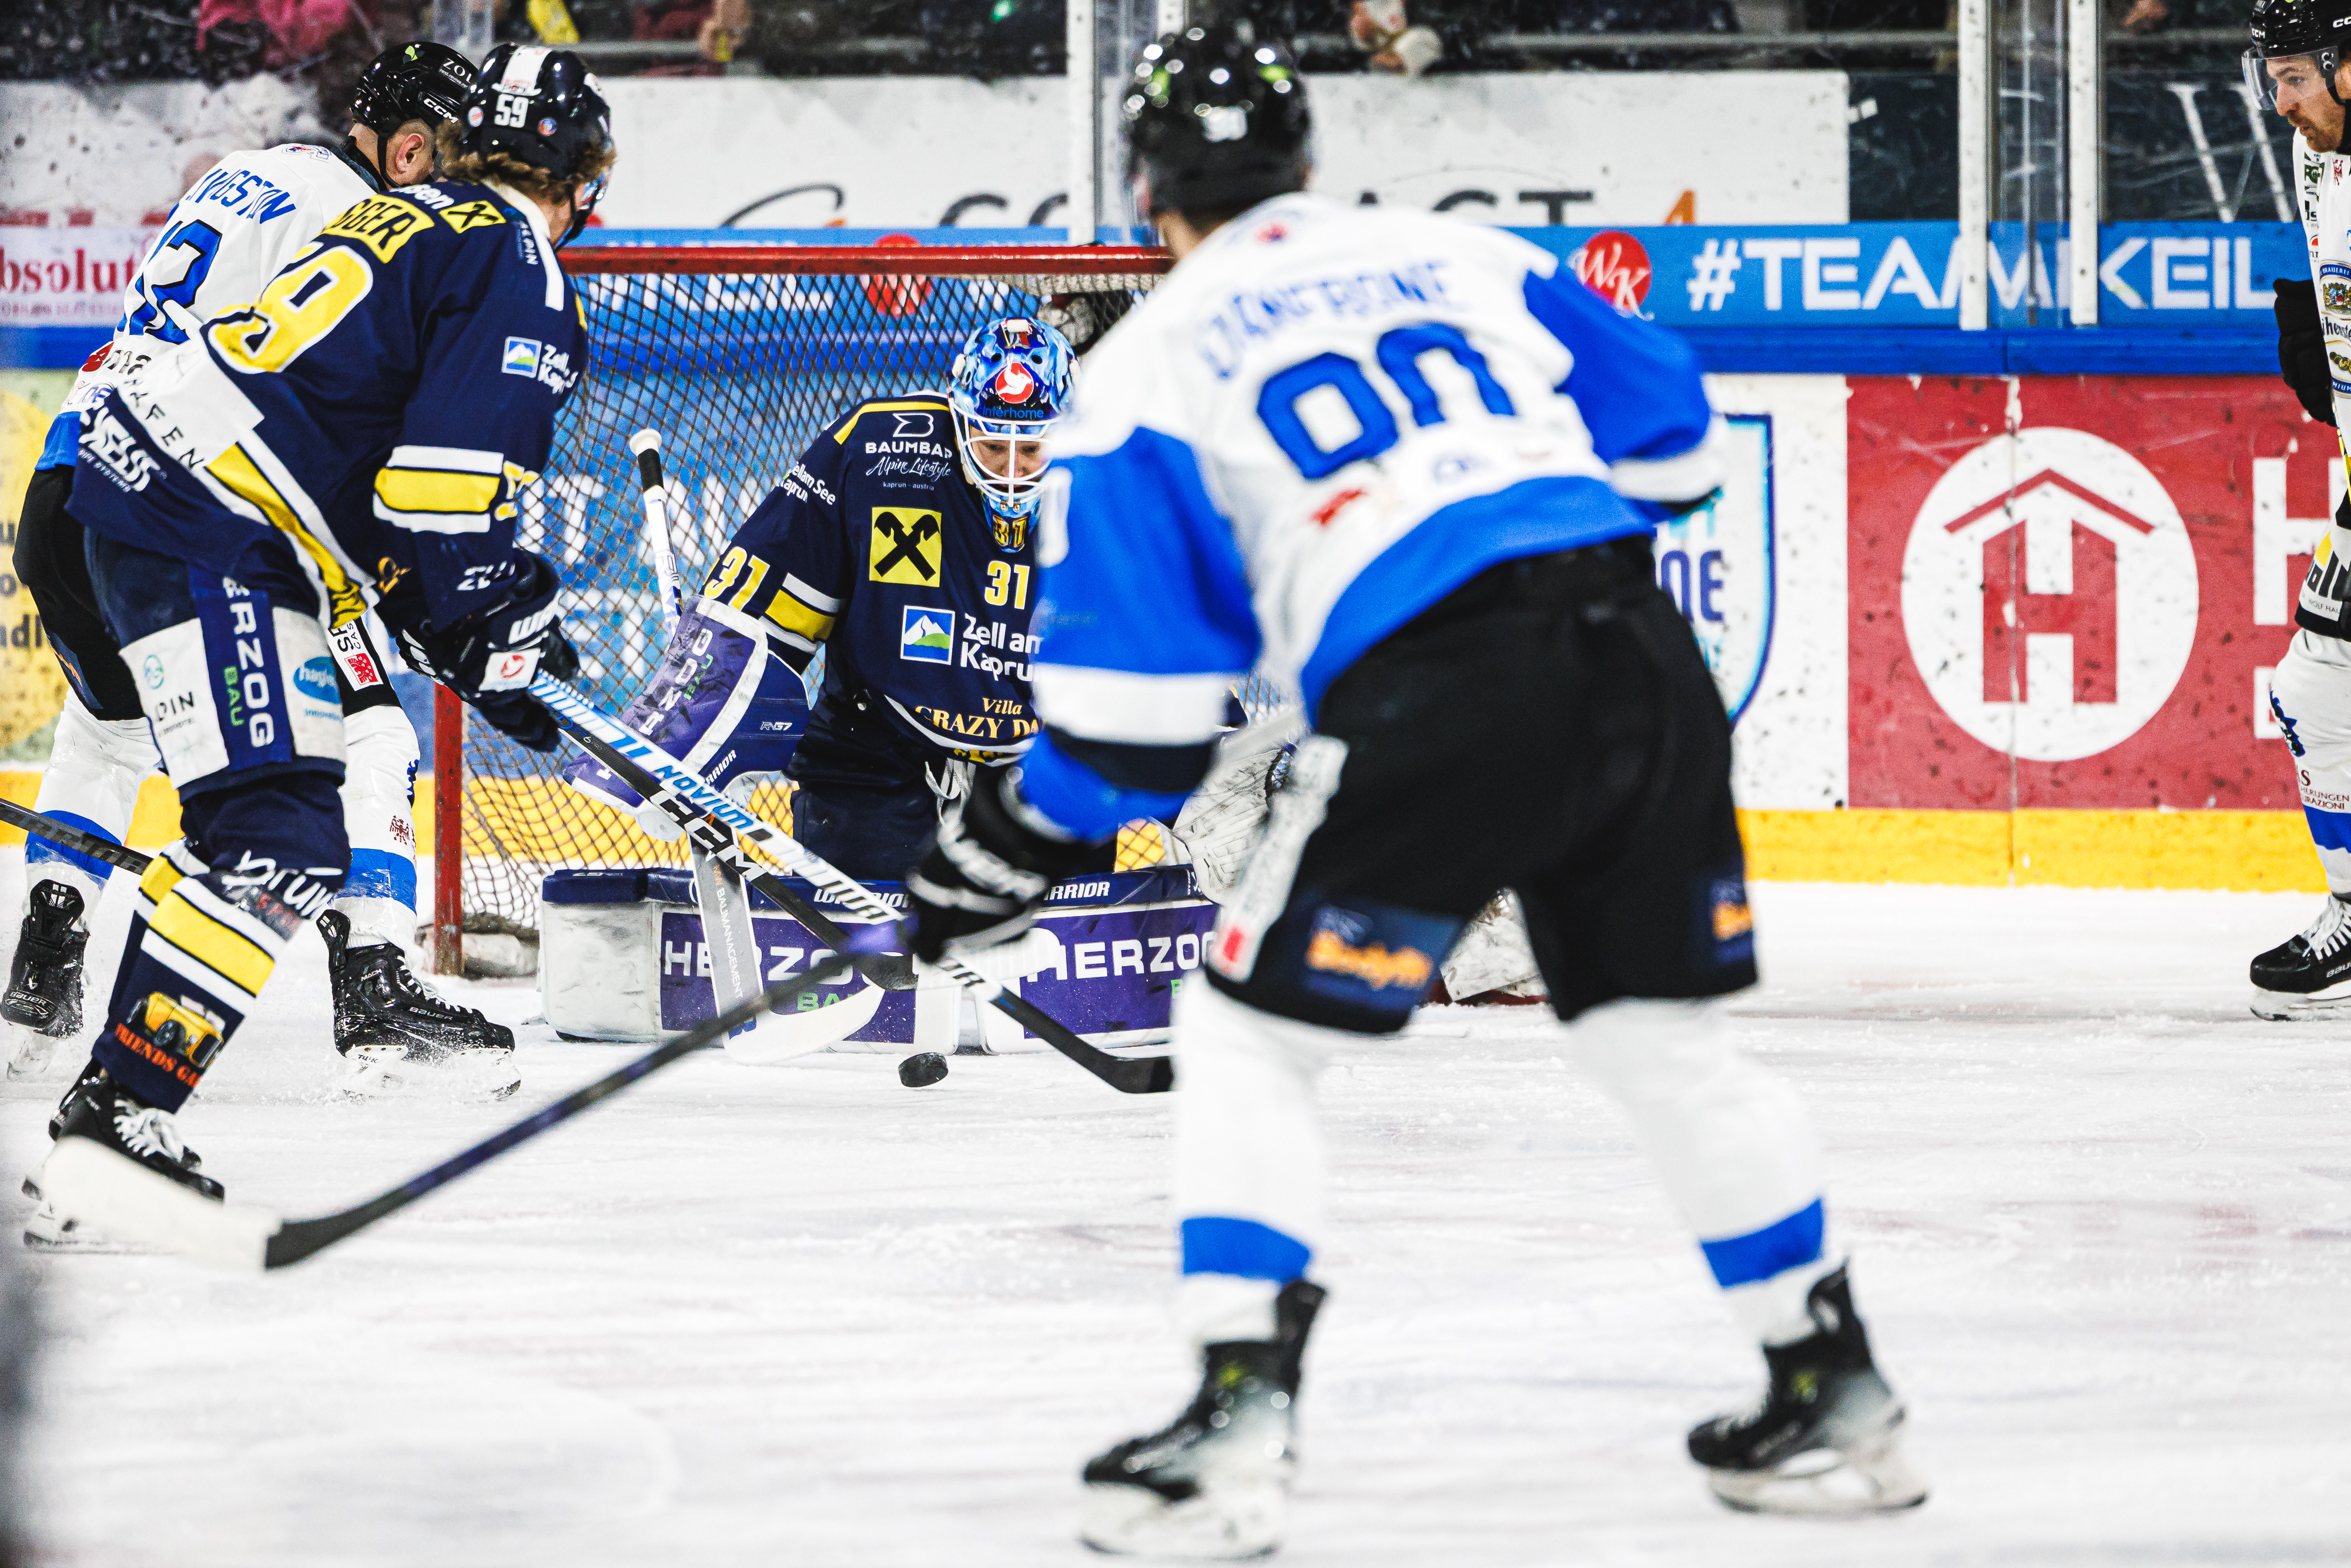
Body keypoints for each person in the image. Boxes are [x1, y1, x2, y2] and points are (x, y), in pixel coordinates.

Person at [901, 23, 1927, 1556]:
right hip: (1637, 654)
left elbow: (1134, 738)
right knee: (1659, 1041)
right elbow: (1680, 446)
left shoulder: (1141, 370)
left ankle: (1235, 1425)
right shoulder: (1456, 255)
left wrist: (993, 851)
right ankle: (1836, 1391)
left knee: (1244, 1033)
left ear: (1144, 194)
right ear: (1308, 159)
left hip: (1442, 683)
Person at [24, 42, 614, 1236]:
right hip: (212, 520)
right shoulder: (518, 264)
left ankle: (113, 1097)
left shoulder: (402, 215)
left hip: (145, 483)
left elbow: (376, 483)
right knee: (277, 832)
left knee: (270, 813)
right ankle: (118, 1113)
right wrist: (491, 613)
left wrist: (466, 623)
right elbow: (439, 500)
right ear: (583, 180)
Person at [564, 316, 1076, 881]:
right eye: (992, 445)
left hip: (1046, 780)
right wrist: (690, 738)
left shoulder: (1110, 483)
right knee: (866, 942)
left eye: (1032, 448)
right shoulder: (878, 448)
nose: (1012, 471)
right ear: (959, 422)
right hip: (874, 760)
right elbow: (762, 595)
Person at [2249, 0, 2351, 1018]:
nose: (2280, 103)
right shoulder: (2315, 157)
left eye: (2293, 79)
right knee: (2313, 689)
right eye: (2270, 79)